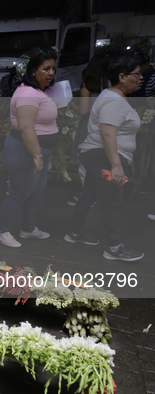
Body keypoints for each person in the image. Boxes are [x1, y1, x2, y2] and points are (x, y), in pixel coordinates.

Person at [66, 54, 144, 261]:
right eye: (136, 74)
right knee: (112, 200)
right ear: (122, 77)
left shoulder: (114, 97)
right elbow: (107, 133)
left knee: (89, 194)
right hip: (104, 156)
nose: (140, 78)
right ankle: (114, 248)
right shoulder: (113, 100)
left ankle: (74, 233)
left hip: (99, 155)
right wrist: (116, 166)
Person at [0, 48, 59, 248]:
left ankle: (27, 228)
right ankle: (1, 231)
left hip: (39, 152)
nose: (51, 73)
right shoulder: (27, 93)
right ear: (33, 70)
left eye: (53, 68)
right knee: (19, 192)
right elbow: (25, 126)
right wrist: (36, 154)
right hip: (25, 151)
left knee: (36, 191)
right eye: (46, 68)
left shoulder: (40, 91)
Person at [67, 54, 110, 207]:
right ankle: (98, 196)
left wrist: (71, 104)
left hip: (89, 127)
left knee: (85, 164)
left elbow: (83, 111)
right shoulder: (108, 84)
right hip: (105, 126)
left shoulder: (87, 86)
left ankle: (88, 198)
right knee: (99, 163)